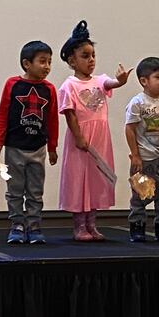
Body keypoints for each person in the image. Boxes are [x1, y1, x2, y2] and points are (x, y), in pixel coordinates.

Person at [57, 20, 130, 241]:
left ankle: (92, 223)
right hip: (81, 139)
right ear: (72, 60)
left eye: (93, 55)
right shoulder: (69, 85)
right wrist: (78, 136)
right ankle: (79, 225)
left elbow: (110, 83)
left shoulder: (99, 80)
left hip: (99, 138)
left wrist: (120, 80)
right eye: (85, 56)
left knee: (96, 179)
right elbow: (69, 113)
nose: (91, 60)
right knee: (79, 179)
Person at [0, 41, 59, 244]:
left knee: (35, 190)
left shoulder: (49, 89)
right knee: (14, 189)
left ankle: (34, 225)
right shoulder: (13, 85)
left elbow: (52, 119)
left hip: (37, 147)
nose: (47, 66)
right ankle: (17, 225)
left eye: (49, 62)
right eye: (42, 61)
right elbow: (3, 112)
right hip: (14, 146)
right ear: (26, 63)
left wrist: (52, 147)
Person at [125, 57, 159, 242]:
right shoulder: (138, 103)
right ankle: (137, 225)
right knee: (142, 193)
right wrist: (135, 155)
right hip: (144, 158)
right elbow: (130, 129)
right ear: (144, 81)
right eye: (158, 77)